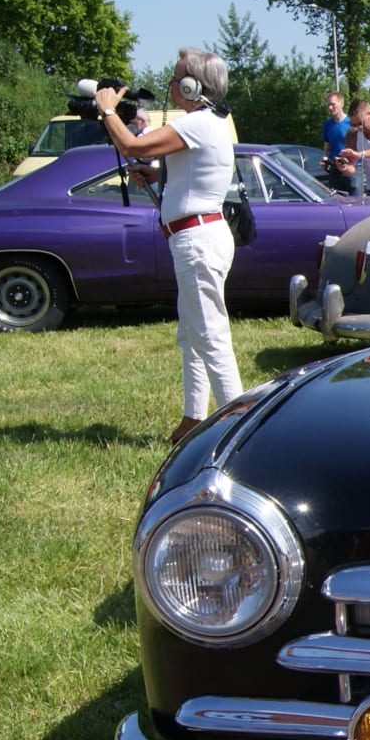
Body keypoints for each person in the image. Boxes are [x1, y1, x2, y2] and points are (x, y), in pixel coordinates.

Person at [94, 48, 243, 445]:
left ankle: (240, 433)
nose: (171, 84)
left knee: (210, 335)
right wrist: (155, 173)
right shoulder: (208, 122)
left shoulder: (199, 122)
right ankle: (194, 420)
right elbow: (180, 166)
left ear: (194, 86)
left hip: (198, 240)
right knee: (192, 334)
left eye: (177, 78)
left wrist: (108, 110)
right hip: (194, 237)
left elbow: (132, 145)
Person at [320, 90, 359, 195]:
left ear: (342, 104)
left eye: (333, 104)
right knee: (336, 201)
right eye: (328, 105)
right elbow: (327, 146)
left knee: (356, 201)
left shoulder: (351, 122)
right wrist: (324, 159)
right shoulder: (327, 124)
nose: (330, 108)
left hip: (352, 168)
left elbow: (361, 145)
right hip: (335, 169)